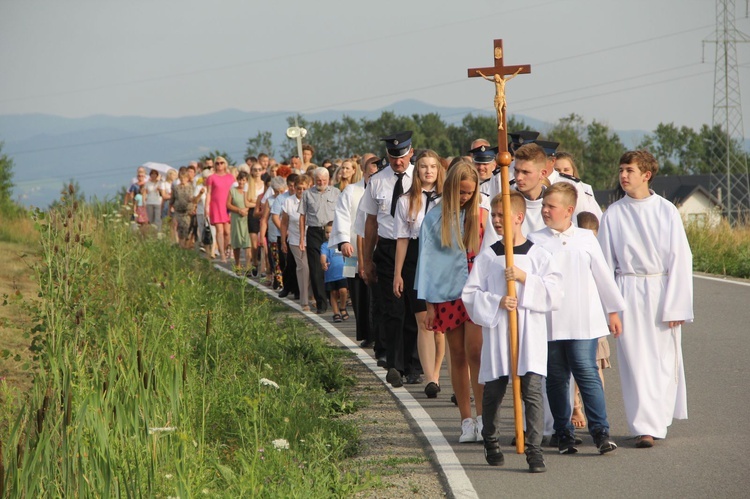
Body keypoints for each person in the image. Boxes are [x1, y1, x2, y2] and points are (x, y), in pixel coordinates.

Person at [598, 150, 693, 448]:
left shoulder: (666, 211)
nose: (623, 175)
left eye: (629, 170)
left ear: (646, 175)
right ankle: (644, 427)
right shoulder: (613, 213)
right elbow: (604, 265)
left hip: (660, 289)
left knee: (662, 360)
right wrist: (611, 308)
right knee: (634, 360)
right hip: (627, 289)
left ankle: (657, 419)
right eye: (621, 169)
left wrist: (677, 304)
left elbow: (681, 258)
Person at [463, 192, 562, 472]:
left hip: (528, 333)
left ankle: (534, 451)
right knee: (494, 390)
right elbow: (470, 294)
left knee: (531, 391)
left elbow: (555, 293)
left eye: (500, 215)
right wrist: (497, 301)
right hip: (499, 334)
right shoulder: (489, 256)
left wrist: (524, 279)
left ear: (518, 217)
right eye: (493, 216)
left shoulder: (538, 255)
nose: (495, 221)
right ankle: (491, 439)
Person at [528, 183, 624, 455]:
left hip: (583, 318)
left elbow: (602, 275)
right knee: (556, 377)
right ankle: (564, 433)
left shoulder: (585, 238)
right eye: (544, 205)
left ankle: (600, 431)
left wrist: (613, 311)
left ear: (569, 210)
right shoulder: (535, 239)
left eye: (551, 206)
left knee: (586, 371)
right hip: (550, 320)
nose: (545, 210)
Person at [416, 160, 497, 442]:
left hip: (476, 294)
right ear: (450, 189)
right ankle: (466, 419)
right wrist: (428, 306)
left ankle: (485, 417)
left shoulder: (483, 215)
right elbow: (425, 263)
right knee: (458, 356)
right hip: (447, 294)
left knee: (476, 352)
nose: (465, 198)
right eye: (461, 193)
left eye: (469, 193)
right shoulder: (434, 218)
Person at [361, 131, 421, 388]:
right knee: (393, 309)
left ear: (411, 152)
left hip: (416, 249)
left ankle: (414, 364)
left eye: (403, 156)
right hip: (387, 248)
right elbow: (371, 222)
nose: (399, 162)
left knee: (414, 309)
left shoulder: (421, 177)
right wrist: (366, 261)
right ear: (388, 155)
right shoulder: (377, 181)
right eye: (394, 157)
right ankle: (396, 364)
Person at [393, 150, 445, 398]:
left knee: (440, 325)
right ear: (417, 170)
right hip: (415, 257)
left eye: (433, 167)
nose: (428, 171)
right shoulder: (405, 200)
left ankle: (436, 371)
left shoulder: (447, 198)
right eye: (423, 166)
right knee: (424, 321)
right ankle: (430, 378)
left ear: (438, 170)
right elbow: (402, 239)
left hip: (442, 258)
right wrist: (398, 273)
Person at [569, 211, 612, 428]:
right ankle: (575, 406)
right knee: (576, 369)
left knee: (595, 367)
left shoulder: (599, 253)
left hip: (595, 320)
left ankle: (596, 414)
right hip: (574, 318)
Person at [329, 154, 377, 348]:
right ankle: (365, 331)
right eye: (370, 173)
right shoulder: (351, 191)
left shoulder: (384, 190)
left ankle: (377, 331)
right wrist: (343, 241)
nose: (373, 177)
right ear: (363, 172)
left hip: (374, 250)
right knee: (356, 291)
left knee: (374, 293)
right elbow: (341, 216)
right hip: (352, 251)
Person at [298, 168, 340, 314]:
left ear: (328, 179)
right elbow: (302, 216)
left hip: (332, 232)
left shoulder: (336, 193)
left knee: (333, 266)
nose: (321, 183)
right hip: (314, 232)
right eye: (318, 181)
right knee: (316, 268)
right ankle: (321, 303)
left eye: (324, 180)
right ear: (314, 180)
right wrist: (302, 238)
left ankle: (334, 298)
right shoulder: (307, 194)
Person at [281, 175, 313, 310]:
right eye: (298, 188)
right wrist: (283, 241)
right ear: (294, 188)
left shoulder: (311, 200)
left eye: (304, 188)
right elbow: (284, 223)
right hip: (295, 239)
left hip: (310, 238)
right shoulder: (288, 201)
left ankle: (313, 295)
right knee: (303, 267)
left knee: (312, 267)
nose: (301, 191)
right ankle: (304, 301)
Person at [205, 157, 235, 263]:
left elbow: (234, 191)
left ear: (225, 164)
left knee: (227, 232)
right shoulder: (211, 177)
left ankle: (224, 248)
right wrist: (206, 207)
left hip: (228, 205)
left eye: (221, 163)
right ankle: (222, 254)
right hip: (216, 205)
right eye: (217, 163)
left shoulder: (231, 177)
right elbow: (208, 192)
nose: (219, 165)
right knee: (219, 230)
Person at [321, 222, 349, 322]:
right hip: (330, 274)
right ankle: (336, 313)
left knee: (343, 291)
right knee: (333, 293)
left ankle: (342, 306)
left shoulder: (342, 244)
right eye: (327, 232)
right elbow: (323, 256)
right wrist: (323, 263)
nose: (329, 235)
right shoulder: (325, 245)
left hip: (342, 274)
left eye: (331, 232)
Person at [227, 171, 252, 272]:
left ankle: (248, 265)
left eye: (244, 180)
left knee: (248, 242)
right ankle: (237, 263)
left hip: (247, 218)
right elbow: (228, 204)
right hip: (236, 217)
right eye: (240, 180)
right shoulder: (232, 190)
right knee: (236, 241)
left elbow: (253, 202)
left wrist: (247, 210)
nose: (242, 182)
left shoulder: (249, 191)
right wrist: (238, 210)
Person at [247, 162, 266, 274]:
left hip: (263, 213)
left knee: (263, 241)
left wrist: (255, 202)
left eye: (259, 169)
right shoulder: (249, 184)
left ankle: (263, 266)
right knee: (254, 244)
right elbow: (246, 202)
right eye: (255, 169)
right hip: (252, 214)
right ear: (252, 171)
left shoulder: (264, 184)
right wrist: (257, 203)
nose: (257, 172)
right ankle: (254, 262)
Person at [170, 167, 196, 249]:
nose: (183, 180)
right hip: (178, 211)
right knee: (180, 229)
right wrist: (170, 209)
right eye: (181, 178)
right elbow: (172, 199)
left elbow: (194, 199)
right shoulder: (176, 188)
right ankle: (181, 246)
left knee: (187, 229)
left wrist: (194, 208)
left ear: (187, 178)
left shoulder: (191, 187)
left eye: (184, 178)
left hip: (188, 212)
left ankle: (186, 246)